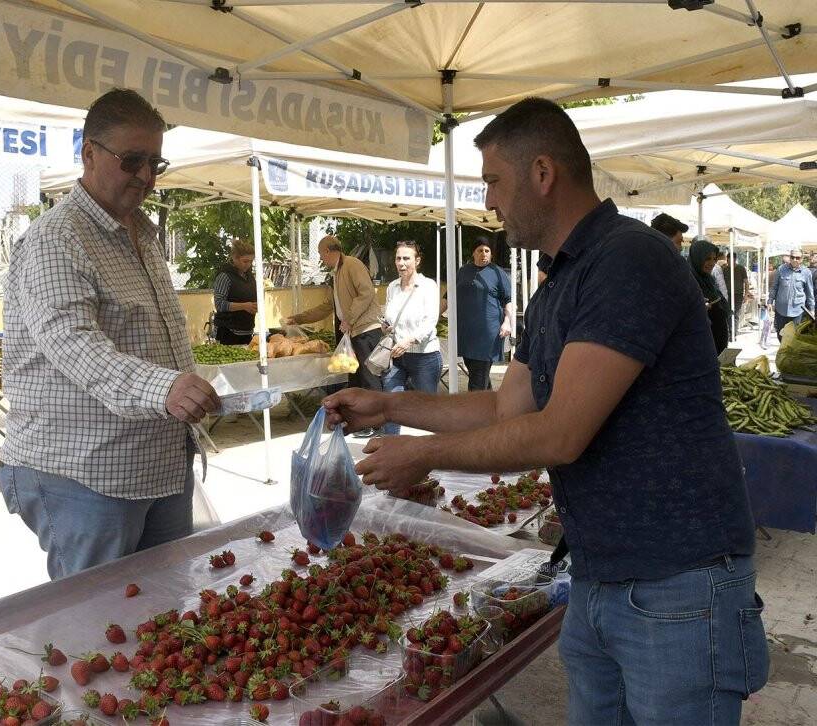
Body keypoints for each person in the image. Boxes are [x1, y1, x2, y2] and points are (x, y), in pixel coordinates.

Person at [323, 97, 766, 725]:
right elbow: (508, 405)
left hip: (678, 583)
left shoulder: (628, 259)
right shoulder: (560, 279)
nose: (488, 203)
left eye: (494, 182)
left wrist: (422, 453)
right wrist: (390, 403)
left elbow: (559, 434)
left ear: (541, 173)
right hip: (599, 575)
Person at [0, 88, 220, 580]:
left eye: (155, 164)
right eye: (132, 161)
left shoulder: (144, 233)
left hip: (159, 465)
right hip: (84, 472)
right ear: (89, 153)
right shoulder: (57, 239)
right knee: (98, 631)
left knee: (167, 615)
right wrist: (166, 388)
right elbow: (75, 345)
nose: (145, 176)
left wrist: (184, 391)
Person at [285, 235, 382, 436]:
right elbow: (329, 306)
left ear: (329, 251)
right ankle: (361, 423)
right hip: (352, 331)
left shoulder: (352, 265)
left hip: (365, 330)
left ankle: (377, 424)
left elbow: (366, 293)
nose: (321, 258)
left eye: (321, 254)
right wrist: (299, 318)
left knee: (368, 379)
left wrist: (350, 318)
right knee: (355, 379)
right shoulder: (337, 272)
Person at [380, 241, 441, 435]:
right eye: (398, 258)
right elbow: (390, 317)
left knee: (428, 410)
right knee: (391, 404)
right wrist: (386, 326)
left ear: (417, 261)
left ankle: (434, 450)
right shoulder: (392, 287)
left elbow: (430, 321)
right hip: (397, 356)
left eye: (406, 258)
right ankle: (390, 449)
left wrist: (409, 341)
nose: (401, 263)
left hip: (424, 357)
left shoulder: (428, 286)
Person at [456, 238, 512, 390]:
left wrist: (507, 322)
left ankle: (474, 410)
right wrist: (434, 317)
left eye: (487, 251)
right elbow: (448, 297)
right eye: (480, 250)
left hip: (488, 333)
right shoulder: (463, 271)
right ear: (473, 253)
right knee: (477, 372)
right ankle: (490, 406)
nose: (484, 254)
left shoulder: (497, 272)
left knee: (478, 376)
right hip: (466, 332)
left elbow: (508, 300)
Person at [212, 238, 258, 344]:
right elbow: (219, 304)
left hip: (246, 330)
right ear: (235, 258)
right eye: (245, 261)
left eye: (251, 261)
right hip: (227, 332)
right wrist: (244, 306)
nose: (248, 264)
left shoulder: (249, 276)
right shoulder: (224, 276)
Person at [689, 237, 730, 354]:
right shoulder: (688, 281)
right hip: (702, 343)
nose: (712, 263)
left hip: (718, 339)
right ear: (697, 258)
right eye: (707, 259)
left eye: (714, 259)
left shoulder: (709, 279)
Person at [768, 247, 816, 340]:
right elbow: (774, 287)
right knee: (780, 335)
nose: (794, 259)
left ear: (801, 259)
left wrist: (812, 309)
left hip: (797, 311)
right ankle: (783, 352)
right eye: (792, 257)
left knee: (794, 336)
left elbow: (810, 293)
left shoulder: (806, 273)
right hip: (781, 310)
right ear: (790, 257)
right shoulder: (781, 269)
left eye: (797, 258)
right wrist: (770, 301)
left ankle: (789, 353)